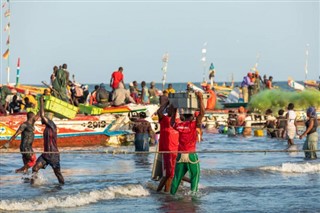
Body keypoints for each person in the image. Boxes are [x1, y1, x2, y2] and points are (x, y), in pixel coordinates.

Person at [170, 91, 204, 195]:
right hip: (191, 155)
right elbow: (202, 113)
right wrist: (200, 98)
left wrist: (175, 107)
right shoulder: (194, 125)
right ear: (192, 117)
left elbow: (172, 122)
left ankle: (171, 196)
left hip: (180, 155)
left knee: (176, 178)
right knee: (195, 177)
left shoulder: (179, 126)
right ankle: (194, 196)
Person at [31, 96, 64, 185]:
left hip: (53, 155)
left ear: (47, 119)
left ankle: (63, 187)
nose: (41, 119)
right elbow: (36, 117)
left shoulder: (52, 125)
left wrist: (41, 101)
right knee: (35, 169)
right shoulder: (46, 128)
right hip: (45, 154)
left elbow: (42, 114)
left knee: (58, 174)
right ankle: (32, 186)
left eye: (43, 118)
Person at [156, 100, 179, 192]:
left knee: (173, 173)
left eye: (172, 109)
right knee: (169, 174)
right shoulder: (164, 119)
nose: (170, 110)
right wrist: (167, 103)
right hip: (166, 150)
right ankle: (164, 191)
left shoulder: (177, 122)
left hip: (176, 150)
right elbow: (159, 111)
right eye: (169, 109)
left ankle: (166, 191)